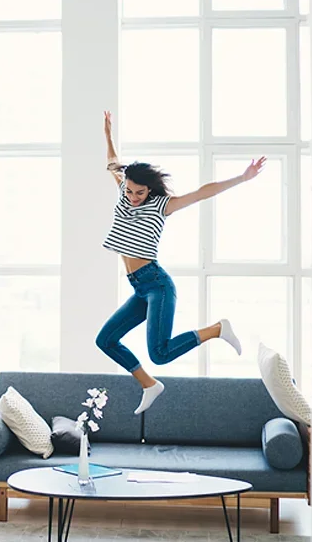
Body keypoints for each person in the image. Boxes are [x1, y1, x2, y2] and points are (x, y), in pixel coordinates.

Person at [96, 110, 267, 415]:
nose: (134, 196)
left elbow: (202, 193)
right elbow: (113, 161)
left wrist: (243, 177)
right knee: (106, 339)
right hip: (138, 288)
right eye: (131, 190)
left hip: (157, 284)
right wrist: (108, 134)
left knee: (160, 353)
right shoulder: (124, 192)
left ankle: (217, 329)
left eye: (140, 192)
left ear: (150, 190)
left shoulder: (163, 206)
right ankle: (149, 384)